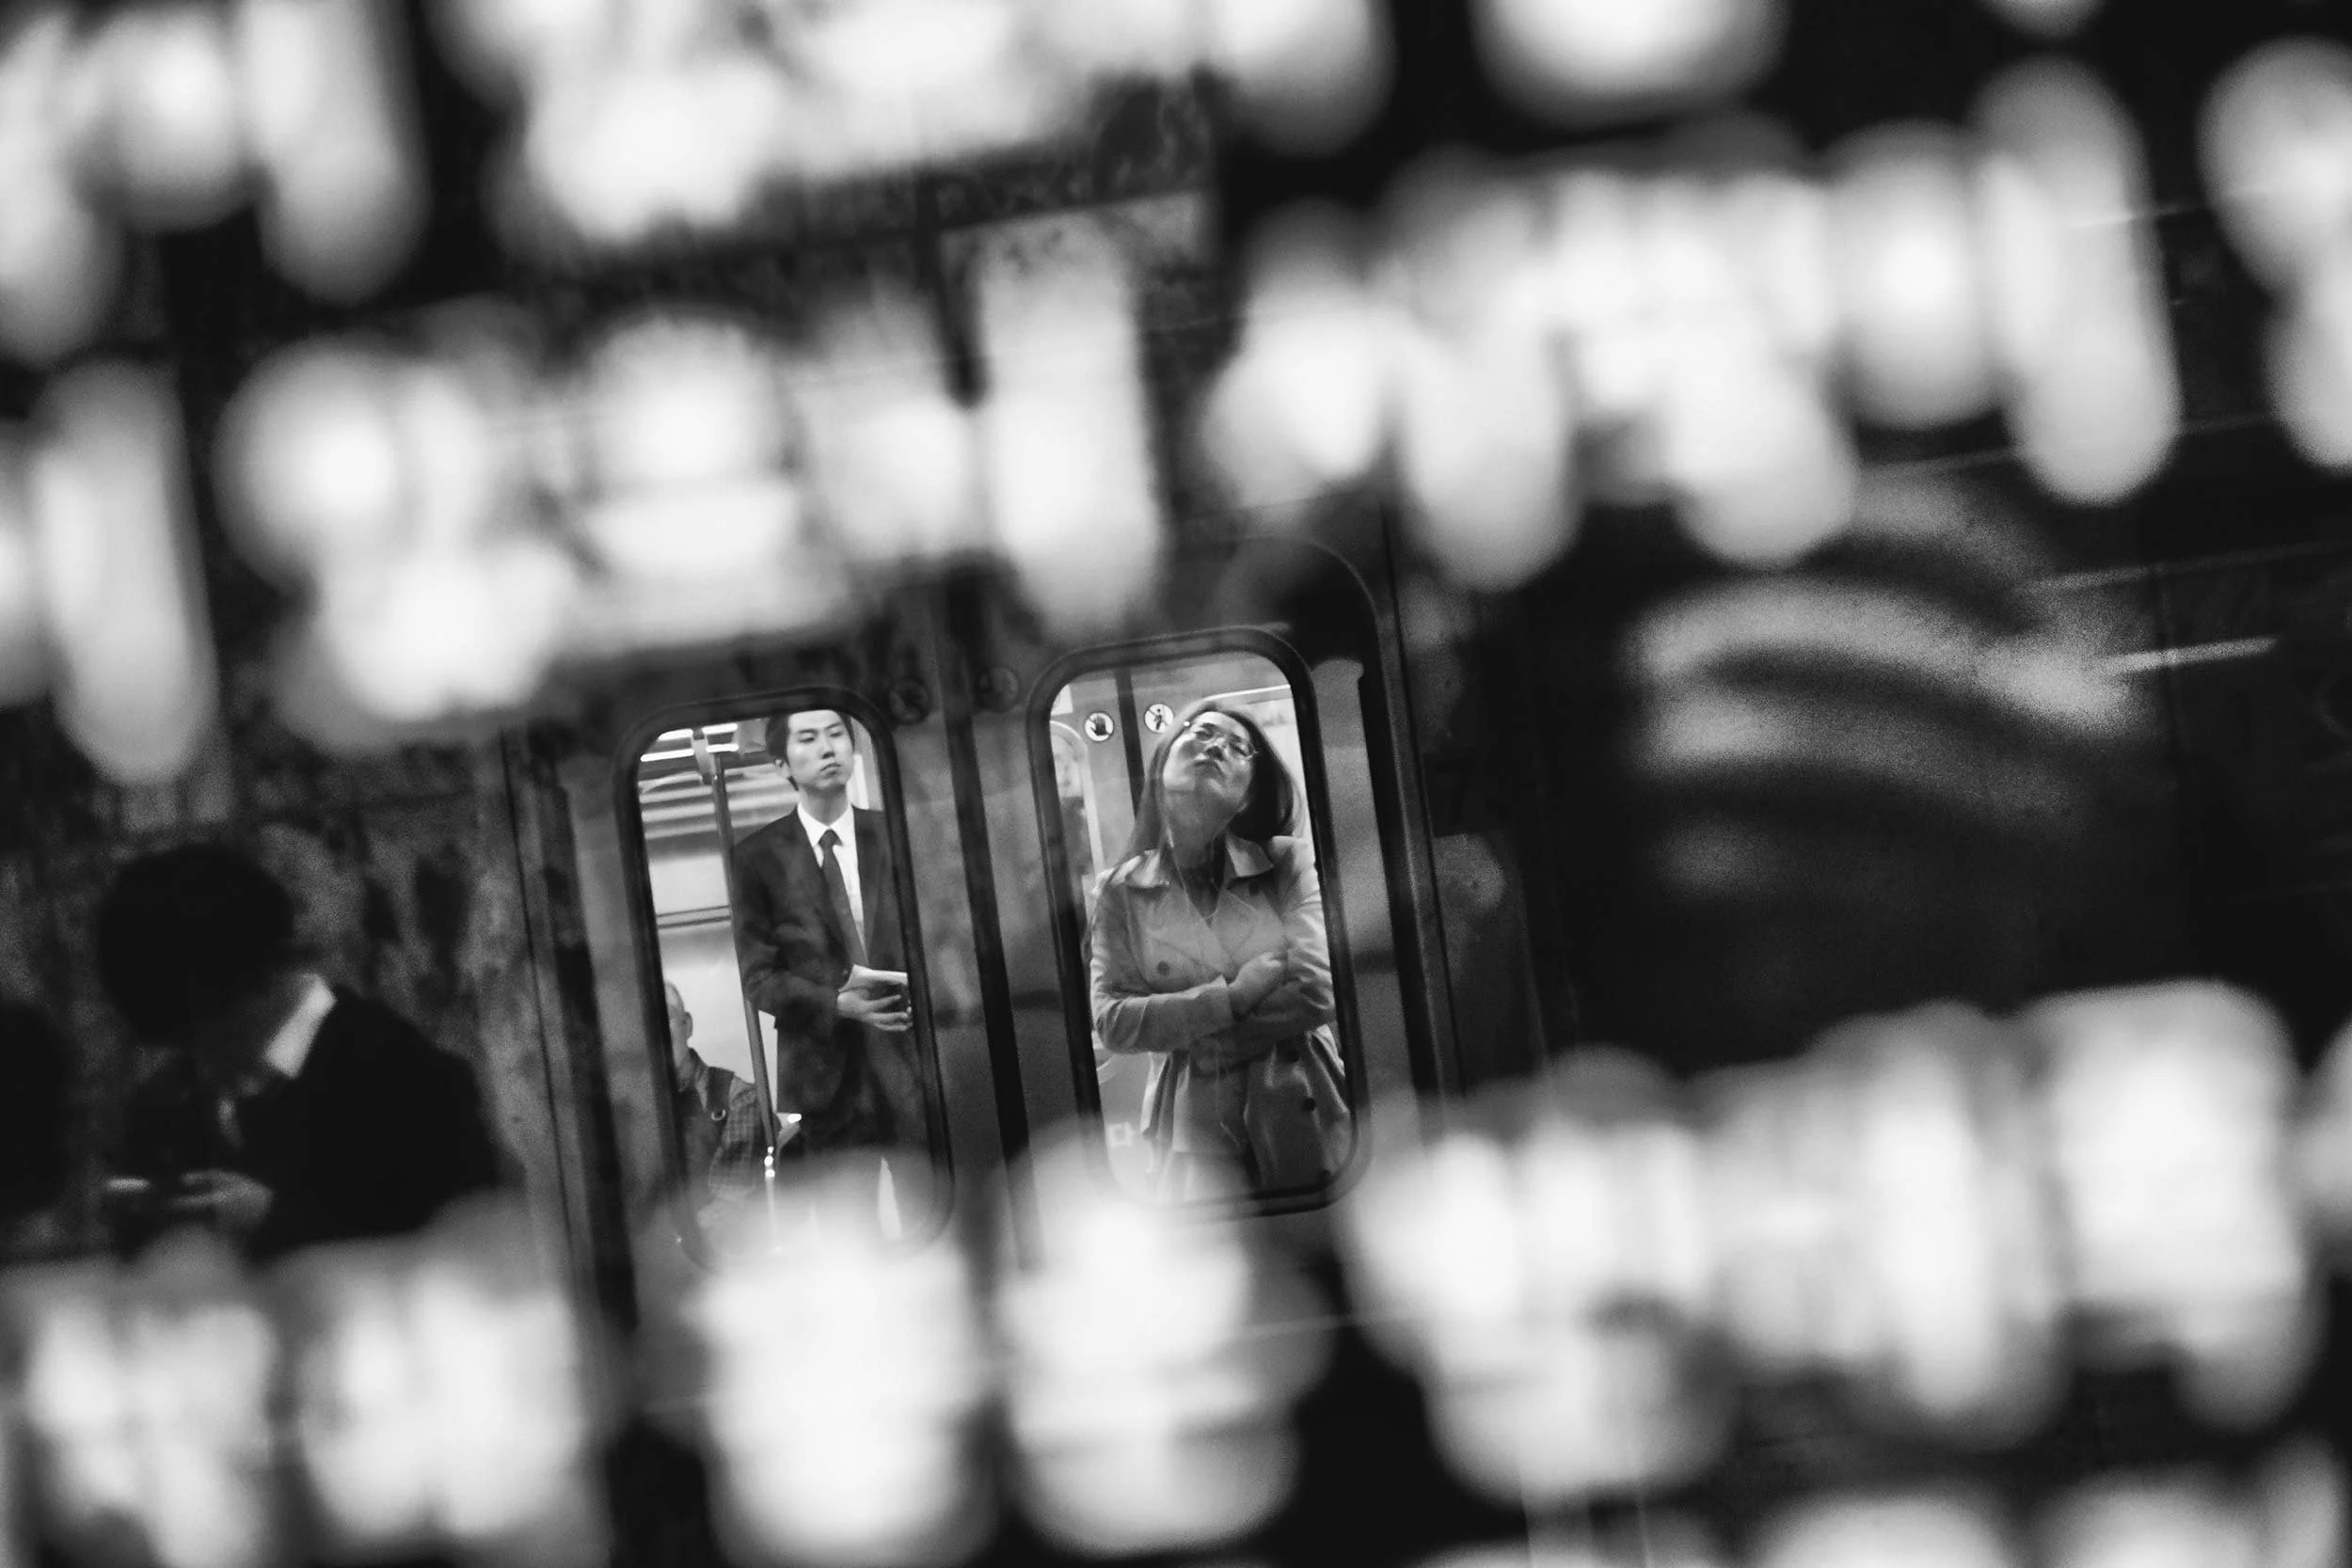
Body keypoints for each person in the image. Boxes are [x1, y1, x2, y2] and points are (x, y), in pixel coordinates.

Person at [96, 843, 506, 1260]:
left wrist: (275, 1222)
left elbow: (467, 1258)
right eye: (183, 1044)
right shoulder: (166, 1104)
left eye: (213, 1034)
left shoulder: (403, 1075)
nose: (203, 1063)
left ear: (261, 977)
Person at [1089, 698, 1348, 1200]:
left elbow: (1318, 989)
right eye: (1202, 732)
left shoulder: (1285, 863)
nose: (1215, 747)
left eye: (1237, 746)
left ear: (1247, 797)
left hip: (1304, 1104)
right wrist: (1233, 997)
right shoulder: (1119, 891)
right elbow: (1113, 1021)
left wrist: (1204, 1037)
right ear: (1163, 764)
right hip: (1192, 1127)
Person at [730, 709, 932, 1204]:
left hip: (914, 1060)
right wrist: (836, 1003)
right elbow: (758, 977)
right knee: (849, 1226)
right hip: (826, 1075)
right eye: (808, 738)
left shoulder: (899, 832)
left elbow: (940, 933)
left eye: (837, 734)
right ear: (781, 764)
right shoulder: (756, 858)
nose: (827, 748)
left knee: (933, 1206)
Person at [662, 980, 769, 1220]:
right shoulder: (627, 1115)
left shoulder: (739, 1100)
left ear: (687, 1025)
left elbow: (730, 1206)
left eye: (665, 1017)